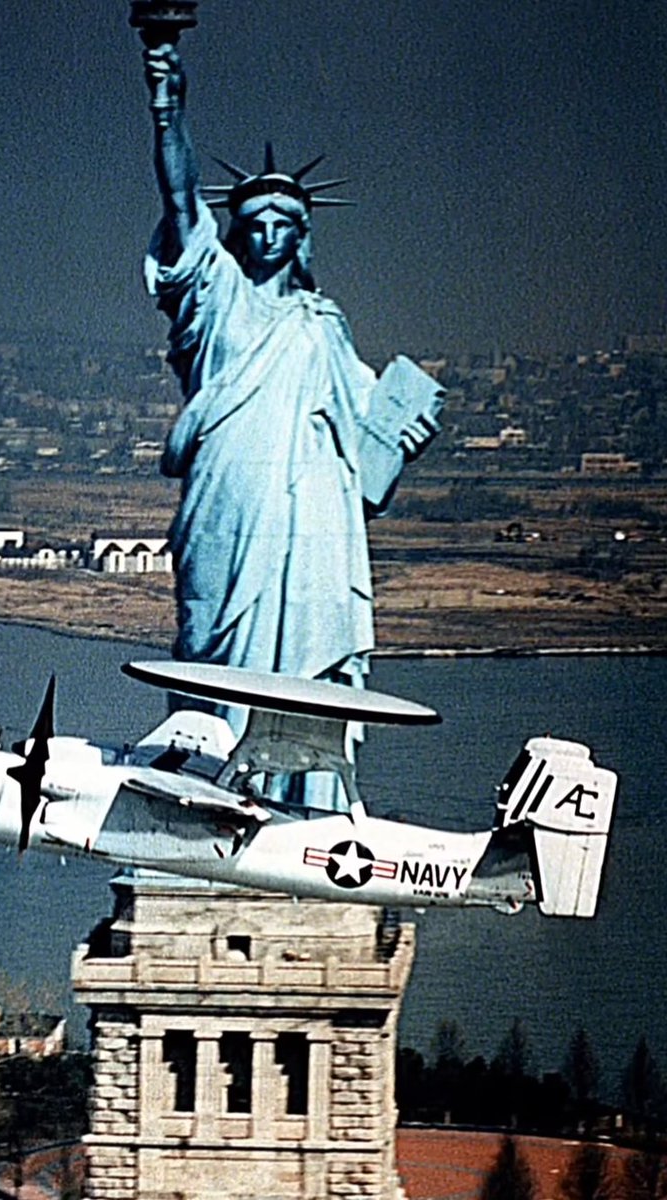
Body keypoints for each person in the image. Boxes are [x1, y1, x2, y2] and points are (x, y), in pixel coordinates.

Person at [142, 46, 441, 808]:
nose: (269, 231)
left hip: (310, 510)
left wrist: (401, 433)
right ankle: (203, 795)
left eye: (285, 221)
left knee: (305, 651)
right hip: (226, 499)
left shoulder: (320, 324)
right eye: (256, 220)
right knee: (208, 641)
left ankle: (309, 807)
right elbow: (180, 205)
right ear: (235, 232)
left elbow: (368, 429)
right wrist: (166, 109)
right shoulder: (212, 297)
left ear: (301, 235)